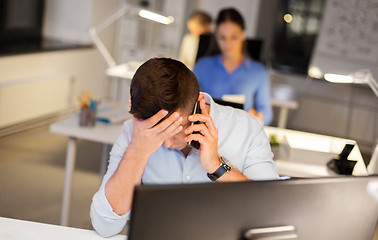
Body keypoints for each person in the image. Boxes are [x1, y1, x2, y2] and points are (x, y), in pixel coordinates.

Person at [90, 58, 278, 237]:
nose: (166, 144)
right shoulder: (135, 131)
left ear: (198, 105)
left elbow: (271, 216)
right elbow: (105, 225)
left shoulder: (248, 129)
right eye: (158, 133)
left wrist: (218, 166)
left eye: (174, 131)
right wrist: (139, 149)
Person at [193, 8, 273, 125]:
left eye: (233, 37)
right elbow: (187, 100)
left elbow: (267, 114)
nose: (228, 44)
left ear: (243, 35)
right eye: (222, 38)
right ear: (216, 37)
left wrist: (256, 117)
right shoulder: (202, 66)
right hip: (204, 132)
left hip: (240, 134)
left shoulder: (258, 72)